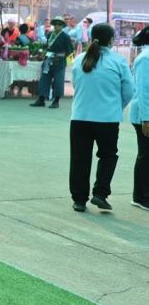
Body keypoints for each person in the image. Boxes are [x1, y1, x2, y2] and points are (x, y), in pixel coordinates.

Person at [69, 23, 134, 212]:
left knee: (80, 158)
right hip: (107, 119)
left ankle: (79, 200)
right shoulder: (118, 61)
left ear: (90, 38)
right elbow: (129, 89)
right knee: (108, 156)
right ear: (112, 40)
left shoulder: (79, 59)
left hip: (80, 117)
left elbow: (76, 84)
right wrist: (116, 106)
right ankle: (100, 193)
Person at [128, 26, 149, 211]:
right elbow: (143, 91)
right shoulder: (145, 58)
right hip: (144, 116)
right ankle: (140, 196)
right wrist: (147, 119)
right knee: (146, 155)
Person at [31, 16, 73, 108]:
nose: (57, 25)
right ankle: (41, 99)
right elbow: (48, 46)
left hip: (59, 61)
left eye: (59, 24)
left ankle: (56, 101)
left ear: (62, 26)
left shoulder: (65, 37)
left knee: (58, 81)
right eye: (55, 24)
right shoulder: (49, 34)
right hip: (48, 59)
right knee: (44, 79)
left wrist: (60, 56)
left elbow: (69, 51)